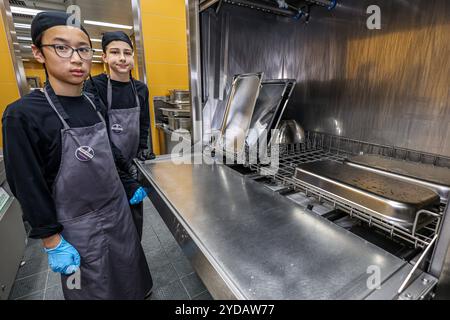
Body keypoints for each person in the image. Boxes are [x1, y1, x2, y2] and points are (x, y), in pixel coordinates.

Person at [2, 11, 152, 299]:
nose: (75, 58)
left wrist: (129, 182)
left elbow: (109, 150)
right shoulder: (23, 115)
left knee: (131, 277)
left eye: (83, 49)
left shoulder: (92, 102)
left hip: (118, 212)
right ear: (38, 52)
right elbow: (27, 184)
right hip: (78, 228)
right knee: (93, 289)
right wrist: (51, 239)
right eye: (61, 47)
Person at [85, 31, 154, 239]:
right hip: (105, 167)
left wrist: (143, 149)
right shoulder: (93, 86)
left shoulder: (140, 89)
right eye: (115, 52)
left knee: (134, 224)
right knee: (112, 228)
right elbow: (98, 134)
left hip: (131, 165)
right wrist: (123, 169)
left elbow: (143, 123)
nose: (122, 58)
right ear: (104, 57)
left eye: (127, 52)